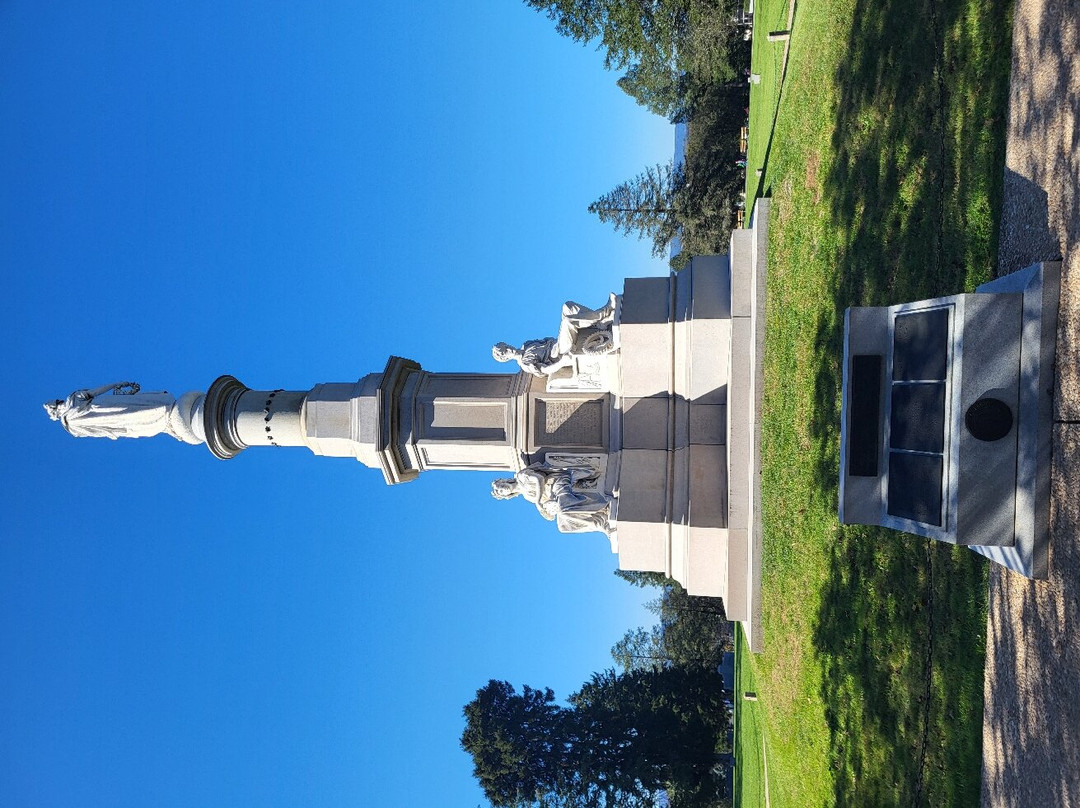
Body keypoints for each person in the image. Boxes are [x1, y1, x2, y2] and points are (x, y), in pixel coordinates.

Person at [492, 294, 617, 377]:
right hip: (561, 353)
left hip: (558, 343)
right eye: (505, 352)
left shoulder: (527, 344)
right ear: (506, 358)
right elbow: (544, 370)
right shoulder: (525, 364)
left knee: (567, 306)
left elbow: (547, 340)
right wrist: (562, 362)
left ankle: (599, 323)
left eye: (506, 346)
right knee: (567, 322)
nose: (509, 349)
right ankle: (604, 313)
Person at [44, 382, 204, 444]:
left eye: (56, 404)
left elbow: (95, 392)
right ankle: (164, 421)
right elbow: (96, 432)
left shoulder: (72, 404)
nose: (57, 406)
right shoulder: (71, 425)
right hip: (111, 420)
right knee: (136, 422)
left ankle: (164, 415)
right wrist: (114, 433)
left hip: (108, 406)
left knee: (136, 409)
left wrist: (117, 385)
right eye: (56, 406)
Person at [491, 462, 610, 535]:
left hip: (557, 481)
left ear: (504, 481)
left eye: (500, 486)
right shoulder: (527, 497)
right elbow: (548, 510)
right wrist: (548, 508)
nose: (503, 489)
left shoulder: (522, 476)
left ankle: (602, 510)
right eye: (501, 492)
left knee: (565, 511)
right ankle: (599, 522)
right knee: (563, 527)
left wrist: (538, 502)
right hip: (555, 495)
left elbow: (540, 479)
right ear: (506, 496)